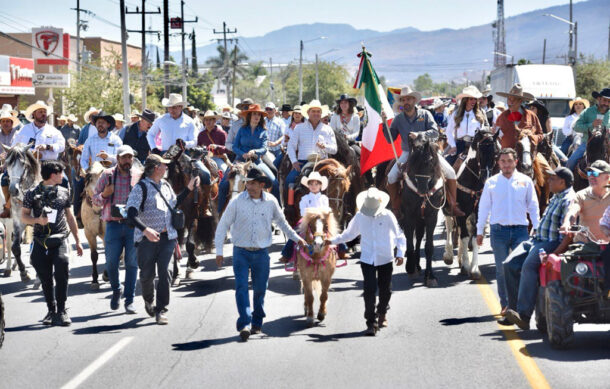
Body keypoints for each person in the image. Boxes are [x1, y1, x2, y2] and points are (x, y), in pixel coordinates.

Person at [214, 166, 306, 341]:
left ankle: (257, 320)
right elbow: (223, 225)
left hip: (262, 252)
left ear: (262, 185)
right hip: (240, 251)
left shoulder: (271, 201)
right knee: (241, 287)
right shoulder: (236, 201)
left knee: (260, 289)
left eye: (254, 184)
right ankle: (245, 323)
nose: (249, 187)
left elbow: (282, 222)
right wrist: (219, 251)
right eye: (248, 183)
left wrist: (296, 238)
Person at [126, 154, 199, 325]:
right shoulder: (140, 188)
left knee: (166, 272)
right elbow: (130, 214)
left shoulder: (166, 185)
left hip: (168, 237)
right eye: (163, 165)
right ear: (155, 168)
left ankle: (161, 309)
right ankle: (148, 300)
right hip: (146, 241)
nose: (166, 168)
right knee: (146, 276)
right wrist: (146, 230)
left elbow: (173, 203)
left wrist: (188, 188)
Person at [501, 167, 576, 329]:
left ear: (562, 182)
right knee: (508, 264)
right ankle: (512, 311)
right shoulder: (556, 195)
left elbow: (568, 235)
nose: (548, 181)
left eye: (552, 179)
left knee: (528, 266)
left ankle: (524, 315)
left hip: (549, 242)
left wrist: (555, 253)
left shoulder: (569, 199)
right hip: (536, 240)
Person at [329, 188, 405, 335]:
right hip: (367, 258)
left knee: (386, 290)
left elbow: (399, 235)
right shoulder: (359, 216)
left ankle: (382, 312)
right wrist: (331, 241)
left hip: (385, 257)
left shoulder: (388, 216)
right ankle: (371, 322)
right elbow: (349, 234)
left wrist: (400, 253)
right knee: (369, 289)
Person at [381, 86, 464, 217]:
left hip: (428, 152)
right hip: (408, 152)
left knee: (451, 172)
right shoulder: (398, 119)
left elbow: (435, 133)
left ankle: (453, 205)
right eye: (403, 100)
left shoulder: (425, 115)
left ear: (414, 100)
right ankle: (396, 207)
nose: (405, 102)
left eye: (408, 99)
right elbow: (389, 139)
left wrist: (420, 135)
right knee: (391, 177)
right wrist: (384, 123)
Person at [476, 148, 539, 314]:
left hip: (520, 231)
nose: (506, 165)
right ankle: (506, 305)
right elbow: (484, 208)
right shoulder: (491, 182)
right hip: (498, 232)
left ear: (516, 162)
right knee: (502, 270)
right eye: (503, 161)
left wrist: (537, 228)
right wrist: (480, 230)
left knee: (520, 268)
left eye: (510, 161)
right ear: (498, 163)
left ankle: (520, 305)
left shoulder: (526, 181)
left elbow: (533, 206)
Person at [21, 160, 83, 326]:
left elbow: (70, 217)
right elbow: (24, 216)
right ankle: (51, 309)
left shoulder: (64, 192)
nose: (63, 176)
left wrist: (77, 240)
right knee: (45, 278)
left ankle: (62, 310)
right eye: (61, 173)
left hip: (60, 238)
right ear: (53, 175)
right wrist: (37, 221)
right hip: (40, 241)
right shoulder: (31, 193)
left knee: (62, 271)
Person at [92, 145, 139, 313]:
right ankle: (116, 289)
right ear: (117, 159)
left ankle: (129, 300)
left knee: (132, 263)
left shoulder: (137, 176)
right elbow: (95, 200)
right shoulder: (107, 175)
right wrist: (105, 194)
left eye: (130, 157)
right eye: (124, 157)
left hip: (133, 225)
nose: (127, 160)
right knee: (111, 263)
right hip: (112, 225)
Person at [231, 104, 281, 202]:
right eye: (254, 114)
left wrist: (255, 151)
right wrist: (243, 154)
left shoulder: (263, 131)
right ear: (249, 116)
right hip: (240, 161)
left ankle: (277, 210)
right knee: (224, 183)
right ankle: (221, 212)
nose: (257, 116)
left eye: (259, 115)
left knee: (274, 182)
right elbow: (234, 147)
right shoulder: (242, 129)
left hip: (257, 161)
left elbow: (264, 148)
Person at [280, 171, 330, 263]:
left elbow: (326, 209)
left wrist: (322, 214)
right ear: (308, 186)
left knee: (333, 231)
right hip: (308, 220)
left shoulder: (324, 198)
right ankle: (286, 253)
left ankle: (342, 249)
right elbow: (303, 212)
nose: (313, 186)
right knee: (296, 232)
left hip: (321, 220)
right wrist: (314, 214)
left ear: (320, 186)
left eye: (316, 184)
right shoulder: (305, 198)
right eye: (311, 184)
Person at [286, 100, 338, 188]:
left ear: (321, 113)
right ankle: (288, 202)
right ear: (308, 113)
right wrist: (294, 161)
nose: (316, 114)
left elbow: (334, 149)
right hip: (303, 163)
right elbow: (291, 146)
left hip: (323, 163)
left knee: (338, 182)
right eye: (313, 111)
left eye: (318, 111)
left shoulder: (328, 129)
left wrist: (325, 147)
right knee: (288, 181)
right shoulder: (299, 128)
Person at [560, 160, 610, 244]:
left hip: (606, 246)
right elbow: (573, 211)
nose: (591, 177)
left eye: (595, 174)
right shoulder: (581, 195)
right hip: (584, 244)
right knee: (570, 162)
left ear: (607, 177)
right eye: (590, 173)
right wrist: (566, 223)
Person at [567, 87, 610, 170]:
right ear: (598, 99)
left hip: (607, 146)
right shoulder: (587, 112)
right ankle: (568, 181)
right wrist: (591, 125)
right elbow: (576, 127)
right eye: (605, 100)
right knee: (570, 162)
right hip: (587, 144)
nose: (607, 103)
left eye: (609, 101)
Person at [445, 86, 487, 166]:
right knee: (446, 164)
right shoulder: (456, 114)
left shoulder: (480, 114)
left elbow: (483, 132)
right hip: (459, 145)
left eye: (475, 99)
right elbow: (448, 131)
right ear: (465, 100)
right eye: (471, 99)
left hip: (475, 146)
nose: (474, 101)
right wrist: (453, 146)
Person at [0, 109, 20, 217]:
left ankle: (7, 207)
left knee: (5, 180)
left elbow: (19, 153)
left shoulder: (18, 135)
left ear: (12, 123)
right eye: (3, 121)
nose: (5, 123)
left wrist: (6, 160)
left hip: (14, 166)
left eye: (8, 121)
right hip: (1, 165)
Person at [264, 102, 286, 171]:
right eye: (267, 109)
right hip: (264, 149)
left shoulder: (280, 121)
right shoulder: (262, 120)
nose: (268, 111)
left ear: (275, 110)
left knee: (276, 168)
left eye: (270, 109)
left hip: (277, 150)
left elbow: (284, 135)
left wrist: (275, 143)